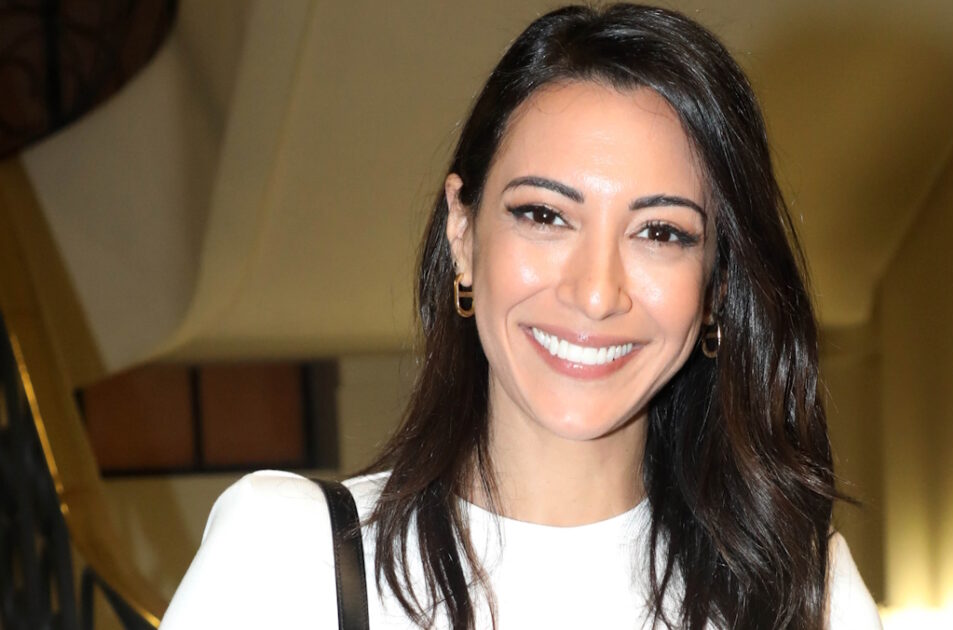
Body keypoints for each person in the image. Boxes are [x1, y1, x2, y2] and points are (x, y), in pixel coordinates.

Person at [161, 4, 881, 629]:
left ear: (718, 283)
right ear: (463, 233)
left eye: (660, 232)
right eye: (544, 215)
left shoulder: (802, 593)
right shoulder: (287, 555)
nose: (596, 293)